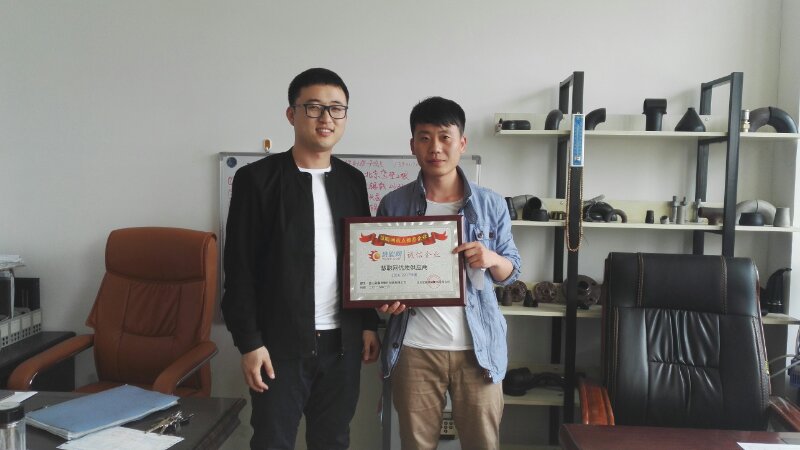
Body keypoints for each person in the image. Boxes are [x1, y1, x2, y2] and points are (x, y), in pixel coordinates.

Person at [221, 67, 380, 450]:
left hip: (342, 345)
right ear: (291, 114)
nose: (326, 118)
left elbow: (361, 260)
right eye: (314, 107)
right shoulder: (256, 180)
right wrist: (249, 343)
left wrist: (368, 323)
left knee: (333, 441)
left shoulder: (353, 180)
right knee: (272, 442)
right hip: (278, 347)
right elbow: (239, 269)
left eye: (337, 108)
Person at [378, 96, 522, 450]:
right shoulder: (393, 204)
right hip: (414, 347)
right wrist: (383, 301)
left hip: (478, 349)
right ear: (412, 145)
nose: (435, 148)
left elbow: (511, 271)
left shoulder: (491, 203)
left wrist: (490, 257)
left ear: (462, 142)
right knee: (415, 444)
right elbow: (380, 274)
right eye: (424, 138)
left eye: (445, 137)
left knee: (483, 443)